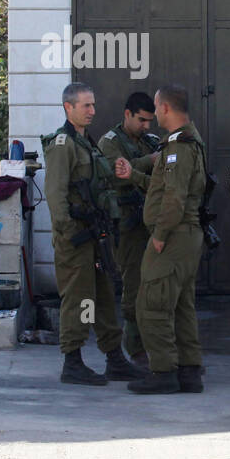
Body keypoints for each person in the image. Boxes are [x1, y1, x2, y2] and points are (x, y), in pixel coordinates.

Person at [43, 83, 146, 386]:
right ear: (68, 108)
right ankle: (72, 361)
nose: (92, 111)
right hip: (75, 238)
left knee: (102, 296)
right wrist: (65, 233)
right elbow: (56, 194)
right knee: (78, 299)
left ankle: (114, 358)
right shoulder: (63, 145)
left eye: (93, 105)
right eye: (85, 106)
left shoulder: (85, 143)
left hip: (94, 236)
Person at [122, 85, 207, 394]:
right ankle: (189, 370)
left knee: (152, 305)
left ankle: (163, 372)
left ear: (167, 109)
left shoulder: (178, 148)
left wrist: (159, 235)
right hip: (185, 236)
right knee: (182, 305)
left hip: (173, 237)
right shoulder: (187, 142)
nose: (155, 113)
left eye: (157, 108)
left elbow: (174, 198)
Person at [99, 92, 161, 368]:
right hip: (128, 224)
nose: (146, 126)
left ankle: (159, 347)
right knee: (133, 286)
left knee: (158, 288)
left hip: (154, 222)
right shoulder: (110, 142)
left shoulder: (151, 142)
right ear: (127, 114)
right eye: (141, 120)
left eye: (150, 121)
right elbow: (115, 173)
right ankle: (136, 349)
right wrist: (151, 161)